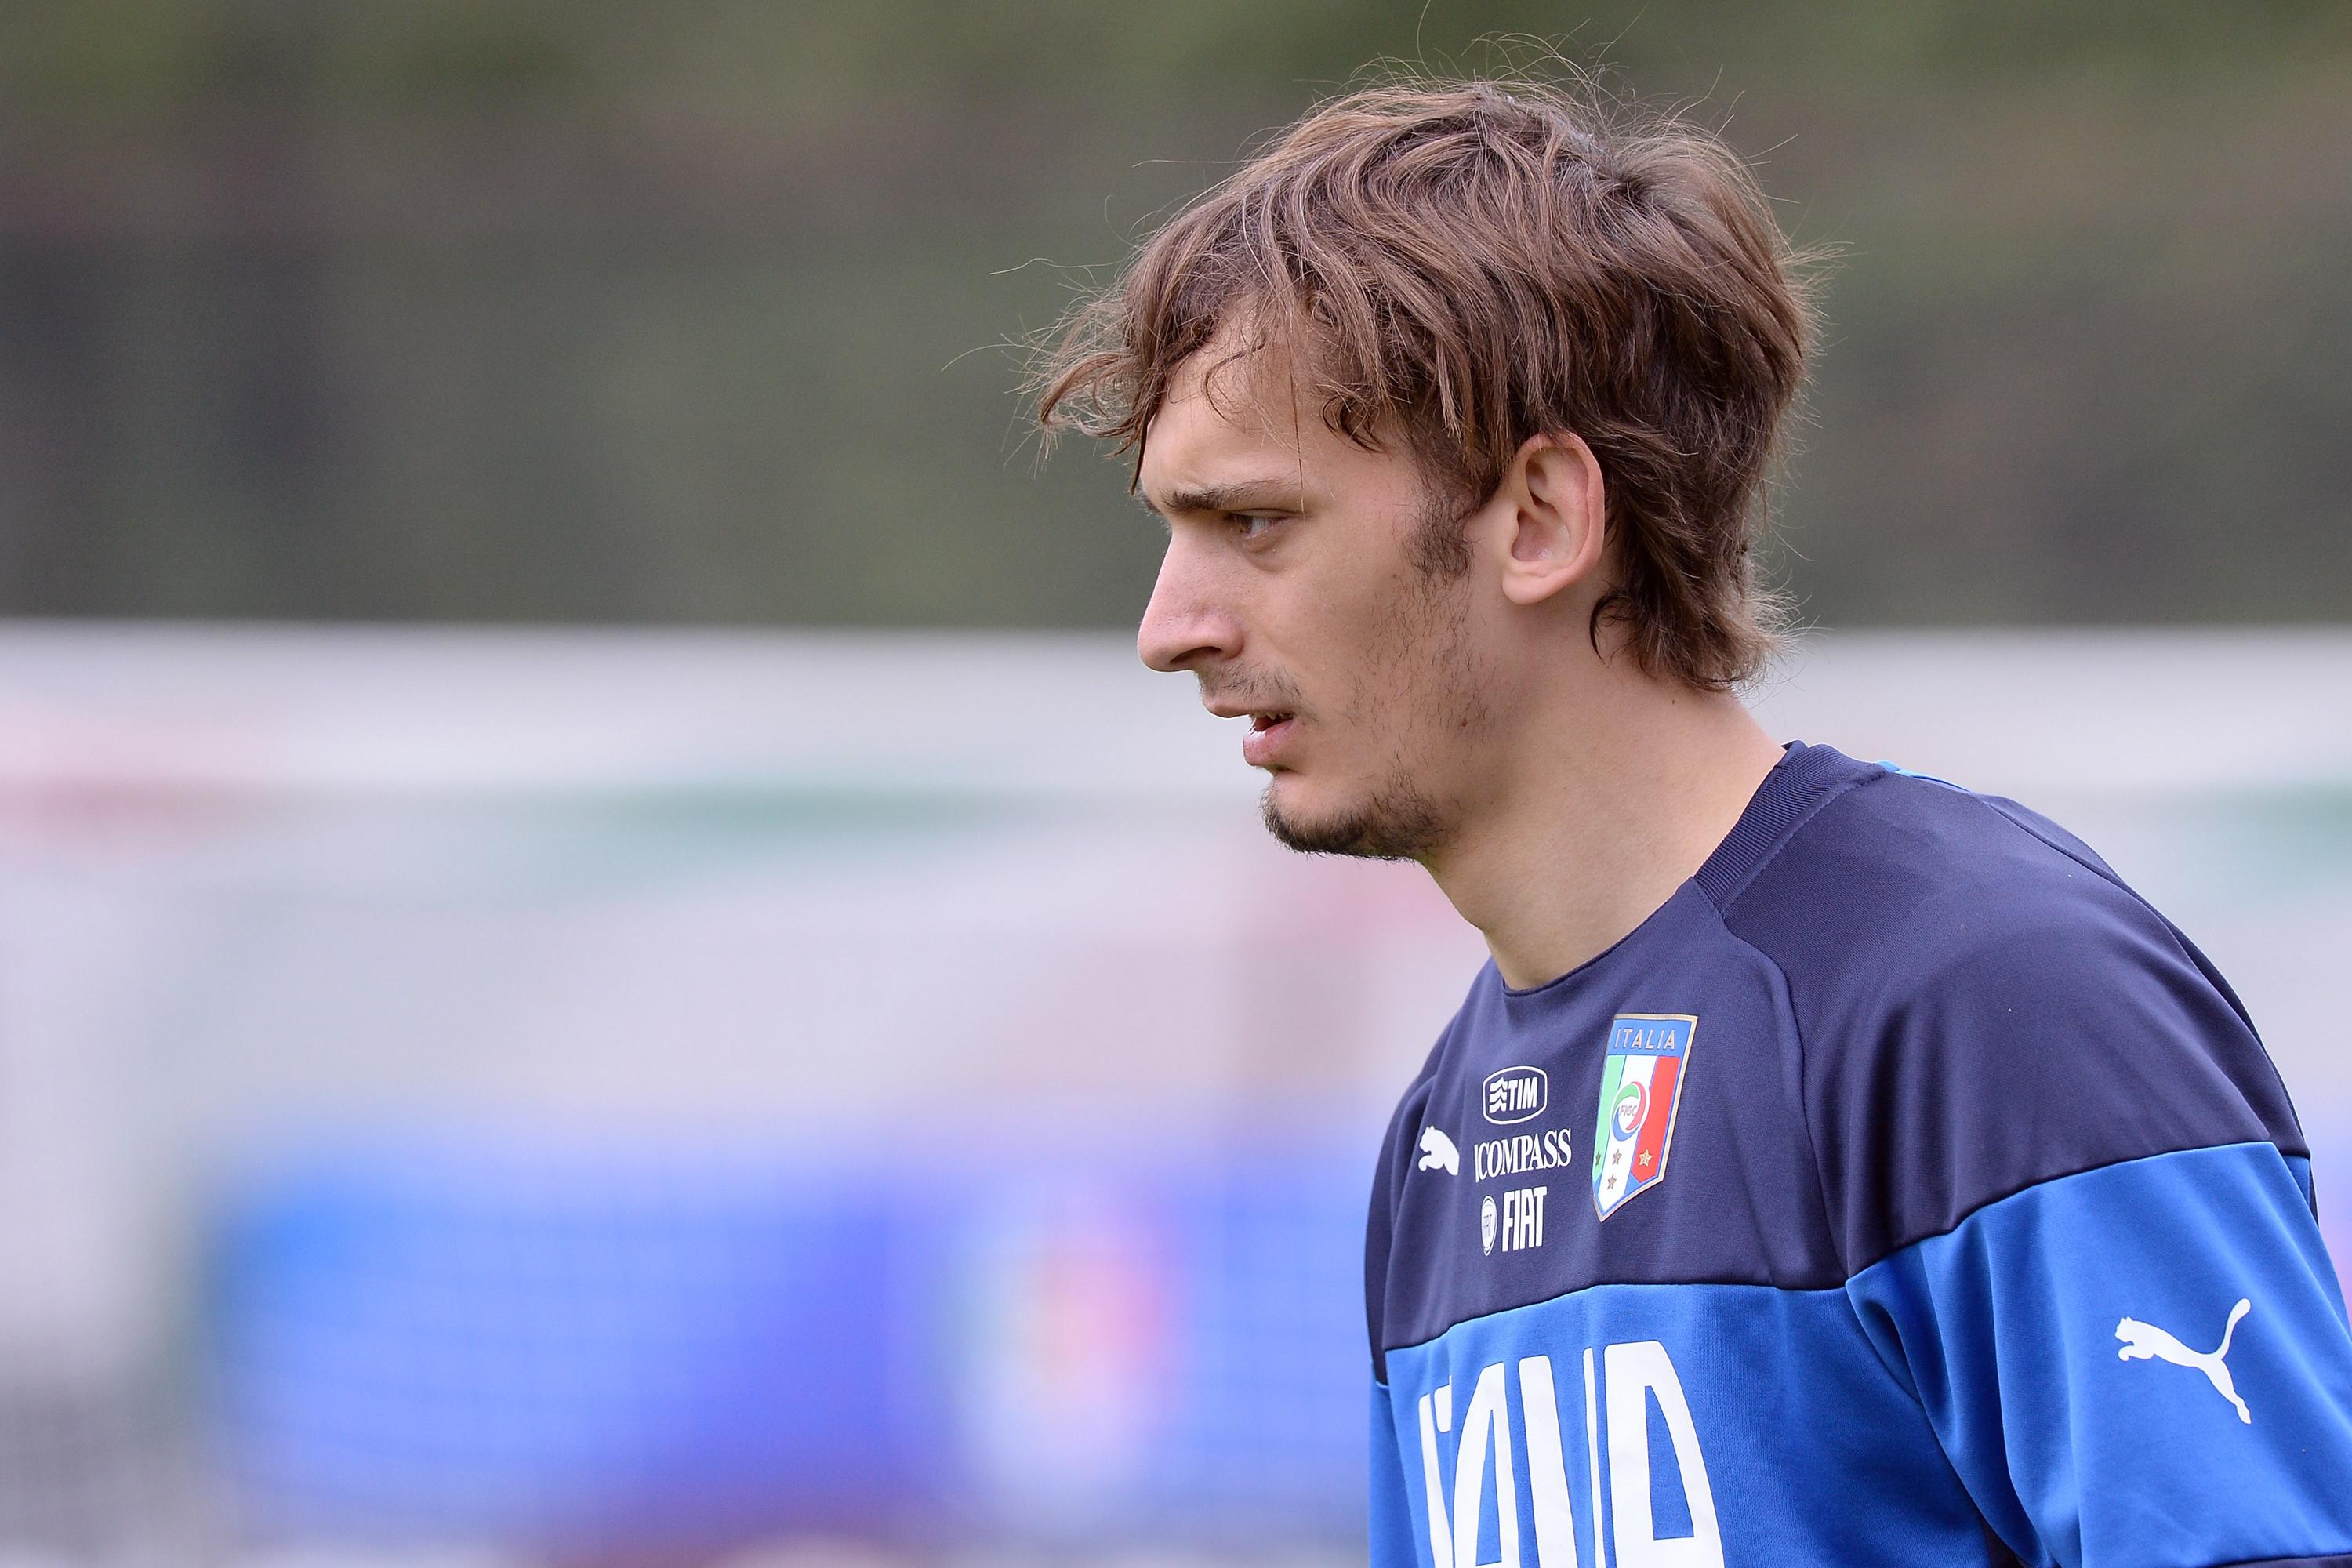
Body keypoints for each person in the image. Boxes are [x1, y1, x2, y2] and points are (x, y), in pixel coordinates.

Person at [1030, 71, 2352, 1567]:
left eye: (1252, 523)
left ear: (1538, 519)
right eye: (1170, 533)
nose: (1169, 626)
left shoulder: (1983, 999)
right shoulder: (1448, 1142)